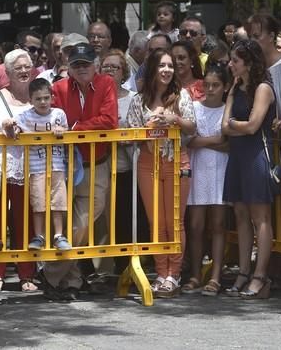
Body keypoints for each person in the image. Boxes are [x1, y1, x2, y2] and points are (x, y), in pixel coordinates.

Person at [47, 41, 118, 299]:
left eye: (86, 63)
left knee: (80, 225)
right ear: (69, 67)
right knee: (64, 224)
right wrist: (80, 126)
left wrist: (74, 128)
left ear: (95, 64)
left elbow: (108, 121)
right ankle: (72, 280)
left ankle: (51, 275)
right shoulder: (58, 88)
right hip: (65, 164)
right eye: (76, 64)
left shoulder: (106, 84)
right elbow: (54, 119)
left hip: (96, 163)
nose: (82, 68)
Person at [126, 48, 196, 298]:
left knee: (174, 221)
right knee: (156, 221)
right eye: (162, 65)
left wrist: (173, 119)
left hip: (177, 160)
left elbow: (192, 127)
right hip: (148, 161)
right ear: (153, 68)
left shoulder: (182, 95)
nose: (167, 70)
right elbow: (130, 133)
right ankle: (160, 272)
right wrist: (150, 126)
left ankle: (174, 274)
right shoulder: (138, 100)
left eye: (170, 66)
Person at [221, 40, 276, 299]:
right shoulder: (237, 88)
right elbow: (224, 127)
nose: (230, 65)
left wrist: (235, 124)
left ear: (249, 63)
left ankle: (260, 275)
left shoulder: (263, 88)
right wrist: (231, 98)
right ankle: (243, 271)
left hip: (255, 154)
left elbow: (253, 125)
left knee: (260, 217)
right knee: (241, 214)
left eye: (236, 60)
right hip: (238, 155)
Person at [0, 49, 37, 293]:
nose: (24, 71)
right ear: (7, 72)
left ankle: (27, 274)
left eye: (27, 66)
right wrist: (2, 126)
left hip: (30, 167)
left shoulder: (39, 97)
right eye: (18, 68)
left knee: (25, 222)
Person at [2, 78, 71, 251]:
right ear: (30, 100)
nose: (43, 102)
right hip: (36, 167)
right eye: (38, 99)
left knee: (58, 201)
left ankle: (58, 235)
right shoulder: (24, 116)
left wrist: (61, 131)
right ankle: (39, 235)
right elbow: (13, 132)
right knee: (39, 202)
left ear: (52, 98)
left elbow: (67, 131)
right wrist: (10, 126)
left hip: (56, 165)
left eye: (46, 98)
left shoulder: (58, 114)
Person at [98, 49, 148, 274]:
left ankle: (126, 266)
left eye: (114, 67)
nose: (109, 71)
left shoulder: (132, 98)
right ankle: (101, 269)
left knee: (126, 218)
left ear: (124, 72)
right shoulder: (94, 96)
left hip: (127, 167)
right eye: (105, 67)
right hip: (100, 166)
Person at [182, 61, 230, 296]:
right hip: (198, 168)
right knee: (195, 225)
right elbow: (189, 141)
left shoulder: (227, 110)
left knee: (218, 225)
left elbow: (230, 144)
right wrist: (215, 141)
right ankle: (195, 273)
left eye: (216, 85)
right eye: (207, 84)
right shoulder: (194, 107)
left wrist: (204, 141)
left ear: (224, 86)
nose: (210, 89)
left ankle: (216, 276)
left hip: (220, 169)